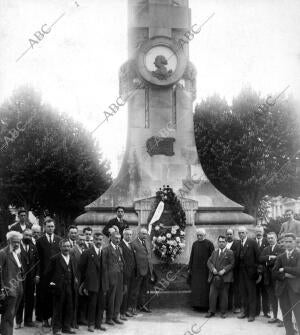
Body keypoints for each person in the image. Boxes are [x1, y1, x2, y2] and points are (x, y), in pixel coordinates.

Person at [45, 239, 78, 335]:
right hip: (59, 288)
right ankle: (56, 329)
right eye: (64, 246)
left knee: (69, 307)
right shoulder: (55, 259)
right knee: (58, 309)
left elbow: (74, 271)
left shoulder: (72, 258)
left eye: (68, 246)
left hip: (70, 287)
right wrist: (52, 284)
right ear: (60, 247)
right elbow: (47, 274)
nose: (66, 248)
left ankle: (66, 327)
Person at [36, 217, 61, 327]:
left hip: (56, 274)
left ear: (54, 227)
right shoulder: (40, 241)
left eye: (52, 226)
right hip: (44, 274)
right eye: (48, 226)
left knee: (55, 297)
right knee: (45, 296)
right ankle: (45, 319)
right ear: (44, 227)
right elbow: (37, 260)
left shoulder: (59, 239)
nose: (50, 228)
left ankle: (54, 319)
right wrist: (37, 274)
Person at [79, 232, 107, 332]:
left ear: (102, 241)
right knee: (92, 304)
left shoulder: (104, 253)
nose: (98, 242)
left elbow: (105, 270)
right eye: (97, 239)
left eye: (100, 240)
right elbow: (81, 269)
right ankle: (91, 324)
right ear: (93, 240)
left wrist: (105, 284)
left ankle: (98, 324)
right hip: (91, 284)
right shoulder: (87, 252)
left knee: (101, 304)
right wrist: (84, 284)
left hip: (102, 284)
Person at [273, 233, 300, 335]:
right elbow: (274, 273)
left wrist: (284, 269)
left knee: (298, 313)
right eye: (286, 242)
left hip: (296, 289)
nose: (287, 244)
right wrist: (286, 275)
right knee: (286, 313)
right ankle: (289, 332)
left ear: (295, 242)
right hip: (282, 289)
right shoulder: (280, 257)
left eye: (290, 241)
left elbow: (298, 270)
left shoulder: (299, 254)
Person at [0, 231, 23, 335]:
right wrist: (2, 289)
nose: (17, 244)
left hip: (18, 289)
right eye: (14, 242)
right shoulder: (3, 253)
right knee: (8, 316)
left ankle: (6, 332)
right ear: (9, 241)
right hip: (8, 289)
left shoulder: (16, 253)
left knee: (11, 315)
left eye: (18, 242)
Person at [15, 229, 39, 329]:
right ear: (22, 235)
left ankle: (28, 320)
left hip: (31, 278)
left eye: (30, 235)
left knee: (30, 299)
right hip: (20, 278)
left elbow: (38, 262)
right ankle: (18, 321)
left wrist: (37, 275)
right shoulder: (17, 247)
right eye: (26, 235)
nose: (28, 237)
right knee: (20, 299)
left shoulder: (33, 247)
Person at [259, 232, 285, 324]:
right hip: (268, 277)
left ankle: (282, 319)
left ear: (276, 238)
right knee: (272, 297)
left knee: (280, 297)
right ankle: (274, 316)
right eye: (268, 238)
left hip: (277, 277)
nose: (270, 240)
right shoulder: (266, 249)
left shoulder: (281, 248)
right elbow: (260, 258)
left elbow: (280, 259)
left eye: (272, 238)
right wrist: (270, 257)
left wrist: (268, 261)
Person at [206, 235, 235, 318]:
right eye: (220, 241)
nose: (221, 243)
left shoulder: (230, 252)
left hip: (225, 278)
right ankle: (211, 311)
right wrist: (212, 269)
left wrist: (224, 270)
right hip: (215, 277)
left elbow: (232, 264)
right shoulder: (214, 252)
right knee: (212, 295)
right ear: (217, 242)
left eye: (223, 242)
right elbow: (209, 262)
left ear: (226, 242)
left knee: (224, 296)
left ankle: (223, 312)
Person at [237, 226, 260, 322]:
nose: (241, 234)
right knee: (243, 293)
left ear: (246, 233)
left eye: (243, 232)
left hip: (251, 273)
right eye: (239, 233)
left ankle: (252, 314)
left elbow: (258, 257)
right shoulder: (238, 243)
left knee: (251, 294)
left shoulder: (252, 242)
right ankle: (245, 312)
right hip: (241, 273)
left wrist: (258, 271)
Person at [188, 228, 214, 310]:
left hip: (205, 270)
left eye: (201, 235)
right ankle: (196, 305)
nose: (199, 237)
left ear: (204, 235)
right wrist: (190, 267)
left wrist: (212, 269)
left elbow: (212, 258)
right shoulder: (195, 244)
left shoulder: (209, 244)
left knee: (205, 289)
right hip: (196, 270)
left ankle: (205, 306)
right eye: (198, 235)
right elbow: (192, 256)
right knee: (196, 288)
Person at [102, 231, 125, 325]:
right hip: (111, 277)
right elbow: (104, 265)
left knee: (118, 297)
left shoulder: (120, 248)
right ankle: (109, 318)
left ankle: (116, 316)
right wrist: (106, 278)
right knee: (111, 298)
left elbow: (121, 261)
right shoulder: (106, 249)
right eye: (116, 238)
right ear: (111, 238)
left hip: (119, 276)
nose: (118, 240)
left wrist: (121, 266)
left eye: (119, 238)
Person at [131, 227, 153, 314]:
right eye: (143, 234)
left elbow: (149, 256)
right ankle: (132, 307)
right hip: (138, 271)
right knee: (135, 290)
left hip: (147, 270)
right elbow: (132, 259)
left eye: (146, 234)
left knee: (144, 289)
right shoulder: (133, 244)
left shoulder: (147, 242)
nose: (145, 235)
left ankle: (142, 305)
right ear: (139, 234)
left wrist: (151, 270)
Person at [70, 234, 86, 328]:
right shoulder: (72, 250)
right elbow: (71, 264)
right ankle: (73, 321)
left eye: (83, 240)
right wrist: (74, 277)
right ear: (77, 240)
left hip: (83, 278)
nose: (82, 242)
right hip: (75, 278)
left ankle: (81, 319)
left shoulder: (85, 250)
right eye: (80, 240)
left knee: (82, 300)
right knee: (75, 300)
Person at [120, 228, 136, 319]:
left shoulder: (131, 245)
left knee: (129, 292)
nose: (129, 236)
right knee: (124, 293)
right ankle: (122, 312)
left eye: (130, 234)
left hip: (131, 273)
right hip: (124, 274)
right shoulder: (121, 245)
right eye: (127, 234)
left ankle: (126, 310)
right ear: (123, 235)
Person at [255, 226, 270, 318]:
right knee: (255, 291)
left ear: (263, 232)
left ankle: (266, 311)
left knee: (265, 292)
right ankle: (256, 310)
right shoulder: (252, 242)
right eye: (257, 231)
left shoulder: (267, 241)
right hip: (255, 270)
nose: (259, 233)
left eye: (260, 231)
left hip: (265, 271)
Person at [225, 228, 241, 313]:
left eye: (231, 234)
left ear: (233, 235)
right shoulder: (223, 243)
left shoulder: (237, 243)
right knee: (227, 288)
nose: (229, 236)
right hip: (226, 269)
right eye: (227, 234)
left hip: (235, 269)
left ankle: (237, 306)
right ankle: (228, 305)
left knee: (236, 288)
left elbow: (237, 254)